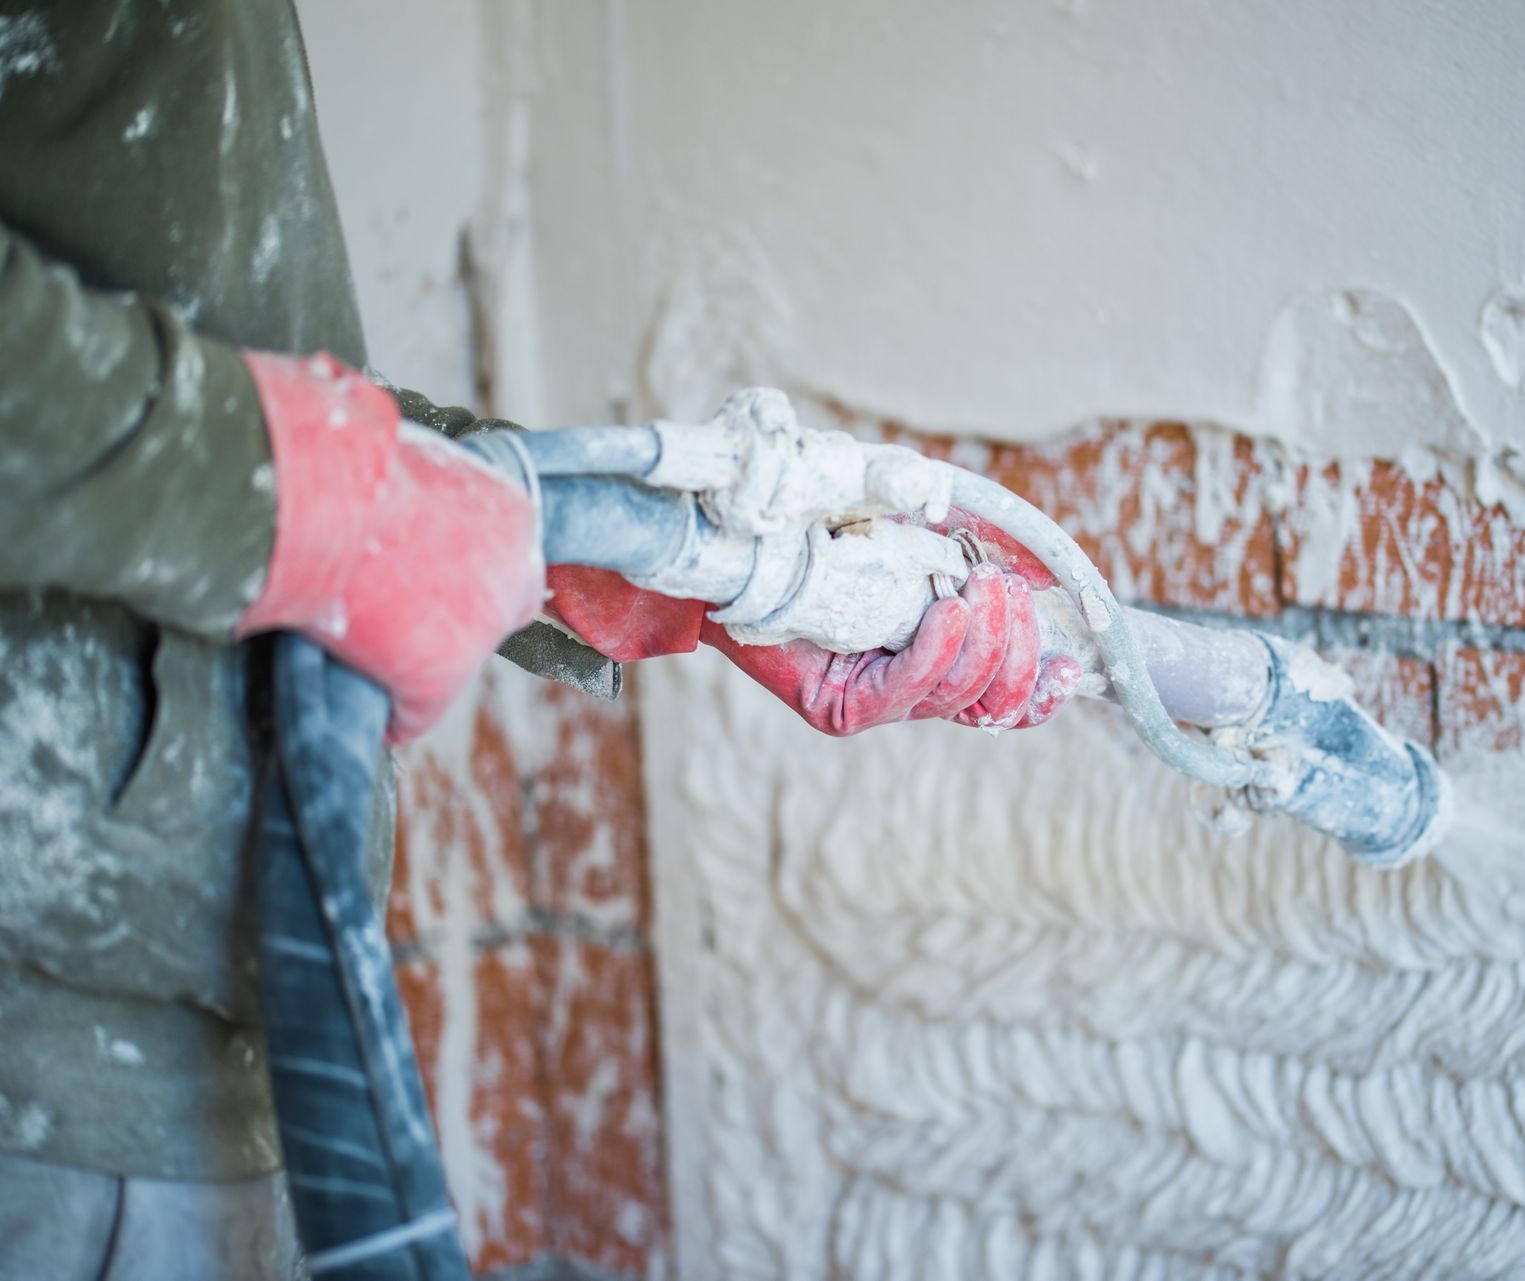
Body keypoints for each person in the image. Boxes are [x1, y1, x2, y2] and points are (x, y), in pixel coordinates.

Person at [0, 3, 1068, 1275]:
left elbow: (235, 372)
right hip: (56, 1030)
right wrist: (323, 502)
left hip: (191, 993)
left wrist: (673, 566)